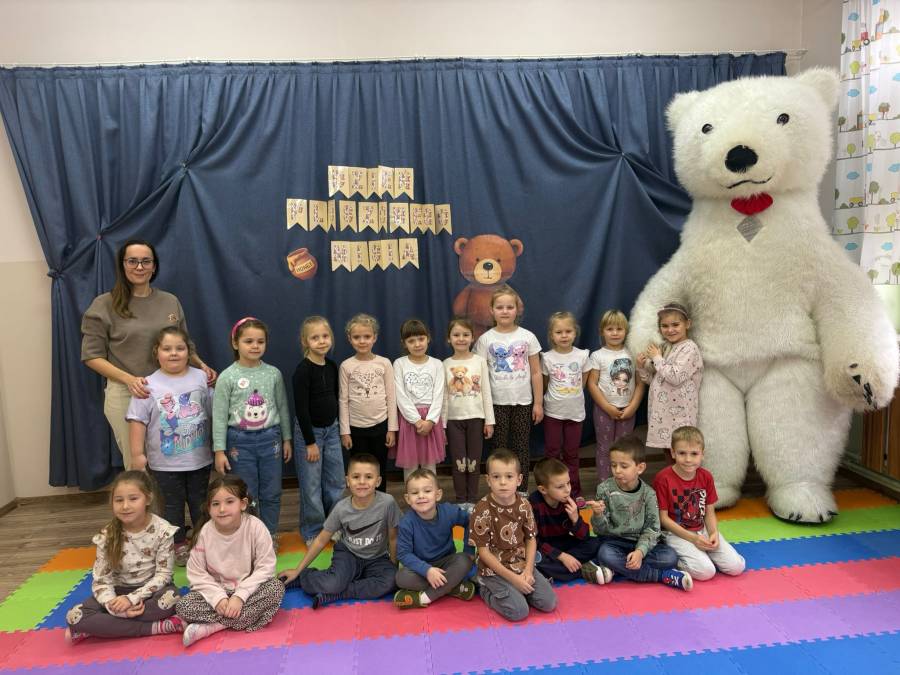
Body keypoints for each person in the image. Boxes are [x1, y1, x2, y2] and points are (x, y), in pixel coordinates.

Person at [81, 239, 216, 469]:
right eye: (132, 261)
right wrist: (129, 380)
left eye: (146, 261)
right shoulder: (104, 304)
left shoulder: (170, 301)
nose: (139, 267)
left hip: (171, 394)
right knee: (138, 465)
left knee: (172, 461)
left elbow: (185, 344)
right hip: (128, 393)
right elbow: (91, 356)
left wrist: (201, 365)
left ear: (154, 266)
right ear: (122, 265)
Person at [127, 326, 213, 566]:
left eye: (180, 348)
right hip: (164, 465)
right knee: (172, 507)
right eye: (167, 348)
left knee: (200, 504)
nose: (173, 353)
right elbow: (137, 420)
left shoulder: (201, 377)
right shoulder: (148, 384)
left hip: (200, 460)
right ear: (157, 352)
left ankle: (203, 543)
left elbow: (215, 410)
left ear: (189, 352)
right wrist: (137, 454)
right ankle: (178, 545)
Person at [64, 471, 182, 643]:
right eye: (119, 500)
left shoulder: (163, 530)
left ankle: (102, 628)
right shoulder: (107, 535)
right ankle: (155, 628)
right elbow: (101, 581)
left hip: (151, 592)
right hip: (118, 593)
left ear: (148, 499)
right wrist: (115, 607)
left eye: (133, 499)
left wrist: (132, 599)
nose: (125, 506)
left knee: (170, 600)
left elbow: (164, 575)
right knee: (75, 616)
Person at [279, 453, 399, 609]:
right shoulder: (341, 508)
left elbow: (393, 537)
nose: (362, 482)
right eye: (356, 477)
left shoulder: (388, 503)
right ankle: (303, 578)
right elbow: (321, 540)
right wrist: (297, 570)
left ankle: (340, 593)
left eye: (368, 477)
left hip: (377, 557)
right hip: (348, 554)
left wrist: (393, 566)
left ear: (378, 481)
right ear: (347, 480)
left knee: (393, 580)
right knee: (332, 583)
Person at [176, 476, 284, 646]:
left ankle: (213, 627)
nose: (222, 509)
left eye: (229, 502)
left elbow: (266, 567)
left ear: (243, 504)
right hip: (217, 592)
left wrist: (240, 596)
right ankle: (242, 619)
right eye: (215, 504)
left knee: (276, 588)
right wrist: (218, 598)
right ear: (209, 508)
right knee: (183, 606)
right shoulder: (205, 533)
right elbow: (197, 573)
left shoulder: (256, 527)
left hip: (249, 591)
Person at [212, 317, 292, 543]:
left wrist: (286, 438)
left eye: (260, 341)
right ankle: (250, 538)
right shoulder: (227, 376)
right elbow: (219, 416)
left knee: (272, 491)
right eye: (248, 341)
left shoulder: (273, 373)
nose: (255, 346)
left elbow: (282, 406)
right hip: (239, 442)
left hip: (270, 439)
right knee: (246, 492)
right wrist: (219, 450)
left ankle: (269, 536)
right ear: (235, 343)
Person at [588, 435, 692, 591]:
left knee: (670, 557)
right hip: (614, 542)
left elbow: (652, 529)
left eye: (624, 466)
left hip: (642, 543)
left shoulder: (649, 494)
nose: (617, 470)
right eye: (613, 465)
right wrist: (597, 515)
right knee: (605, 553)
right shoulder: (604, 489)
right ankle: (661, 576)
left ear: (640, 468)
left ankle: (616, 569)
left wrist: (640, 552)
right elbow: (600, 531)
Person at [469, 449, 557, 622]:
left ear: (519, 479)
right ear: (488, 480)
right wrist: (514, 580)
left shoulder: (524, 505)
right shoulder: (481, 510)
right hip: (493, 570)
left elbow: (531, 538)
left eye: (509, 476)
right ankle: (485, 588)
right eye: (496, 477)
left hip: (520, 563)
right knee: (519, 612)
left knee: (549, 603)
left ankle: (517, 590)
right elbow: (484, 553)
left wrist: (528, 571)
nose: (503, 482)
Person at [654, 426, 746, 581]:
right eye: (682, 453)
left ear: (702, 454)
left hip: (701, 530)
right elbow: (663, 519)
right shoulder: (663, 478)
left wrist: (713, 533)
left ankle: (702, 554)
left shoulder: (706, 477)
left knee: (737, 567)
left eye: (694, 454)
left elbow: (709, 512)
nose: (688, 459)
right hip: (675, 533)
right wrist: (693, 539)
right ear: (673, 453)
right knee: (706, 572)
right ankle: (676, 562)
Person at [474, 285, 543, 492]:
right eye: (500, 307)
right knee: (499, 448)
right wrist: (483, 408)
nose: (505, 311)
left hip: (523, 402)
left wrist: (538, 403)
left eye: (509, 307)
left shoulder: (528, 337)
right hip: (496, 404)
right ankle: (498, 489)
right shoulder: (485, 339)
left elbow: (536, 372)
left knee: (521, 446)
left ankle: (521, 491)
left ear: (517, 310)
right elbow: (480, 375)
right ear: (492, 310)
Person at [292, 316, 345, 548]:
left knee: (336, 481)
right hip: (310, 434)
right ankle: (312, 529)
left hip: (331, 430)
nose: (321, 341)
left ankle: (333, 525)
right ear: (305, 341)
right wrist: (310, 442)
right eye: (315, 338)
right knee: (311, 484)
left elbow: (336, 397)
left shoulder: (332, 366)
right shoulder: (302, 371)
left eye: (325, 336)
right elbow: (301, 409)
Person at [393, 468, 475, 609]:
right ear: (407, 499)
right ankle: (453, 587)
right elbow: (403, 554)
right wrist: (427, 570)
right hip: (421, 568)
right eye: (415, 493)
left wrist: (469, 550)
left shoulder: (449, 511)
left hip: (447, 563)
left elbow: (471, 521)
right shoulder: (406, 522)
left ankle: (425, 597)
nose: (421, 496)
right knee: (401, 578)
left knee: (464, 560)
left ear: (438, 495)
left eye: (427, 491)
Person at [339, 314, 398, 491]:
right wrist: (345, 431)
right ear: (349, 339)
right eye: (357, 337)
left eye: (367, 336)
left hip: (381, 426)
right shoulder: (346, 366)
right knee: (360, 470)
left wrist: (392, 429)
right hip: (356, 429)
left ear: (375, 337)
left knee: (379, 467)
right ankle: (362, 499)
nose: (362, 341)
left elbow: (391, 397)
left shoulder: (384, 363)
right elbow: (343, 400)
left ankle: (381, 501)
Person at [442, 317, 494, 509]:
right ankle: (460, 499)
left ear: (473, 337)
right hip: (453, 420)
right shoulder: (445, 364)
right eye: (456, 335)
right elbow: (443, 397)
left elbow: (486, 391)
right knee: (459, 462)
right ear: (449, 339)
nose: (461, 339)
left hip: (476, 419)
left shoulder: (479, 361)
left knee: (473, 461)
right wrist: (442, 425)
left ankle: (472, 499)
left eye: (465, 334)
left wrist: (489, 421)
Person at [587, 310, 645, 480]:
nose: (614, 333)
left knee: (624, 449)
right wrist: (607, 407)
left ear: (626, 331)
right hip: (604, 410)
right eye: (610, 329)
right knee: (605, 447)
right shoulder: (597, 356)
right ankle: (605, 485)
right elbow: (592, 383)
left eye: (619, 329)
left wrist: (633, 407)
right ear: (602, 331)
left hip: (627, 410)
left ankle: (624, 482)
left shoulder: (632, 354)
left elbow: (640, 383)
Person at [637, 303, 703, 453]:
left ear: (687, 324)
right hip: (663, 412)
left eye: (675, 324)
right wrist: (641, 367)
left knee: (682, 451)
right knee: (668, 451)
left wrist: (657, 357)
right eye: (665, 326)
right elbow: (656, 381)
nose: (670, 330)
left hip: (680, 414)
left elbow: (675, 377)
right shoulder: (666, 347)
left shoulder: (689, 348)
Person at [529, 458, 606, 584]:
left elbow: (584, 536)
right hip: (543, 547)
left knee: (595, 543)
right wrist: (562, 557)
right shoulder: (532, 504)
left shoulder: (569, 499)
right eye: (560, 486)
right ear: (543, 489)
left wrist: (575, 519)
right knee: (535, 560)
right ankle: (584, 569)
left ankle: (557, 571)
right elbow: (533, 541)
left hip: (564, 544)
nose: (567, 490)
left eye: (568, 483)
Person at [540, 311, 591, 497]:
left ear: (575, 332)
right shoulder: (547, 358)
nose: (564, 336)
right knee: (552, 452)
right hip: (553, 412)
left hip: (575, 413)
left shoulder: (582, 356)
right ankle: (551, 489)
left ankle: (574, 490)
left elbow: (583, 381)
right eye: (559, 332)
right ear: (551, 335)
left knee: (572, 453)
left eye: (568, 331)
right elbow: (545, 384)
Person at [393, 319, 446, 481]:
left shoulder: (437, 364)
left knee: (429, 464)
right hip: (409, 420)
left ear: (428, 338)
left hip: (431, 420)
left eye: (421, 339)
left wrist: (430, 421)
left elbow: (439, 395)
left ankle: (430, 493)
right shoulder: (399, 364)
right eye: (411, 341)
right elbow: (400, 395)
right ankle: (411, 493)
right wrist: (416, 420)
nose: (417, 344)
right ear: (404, 343)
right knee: (410, 465)